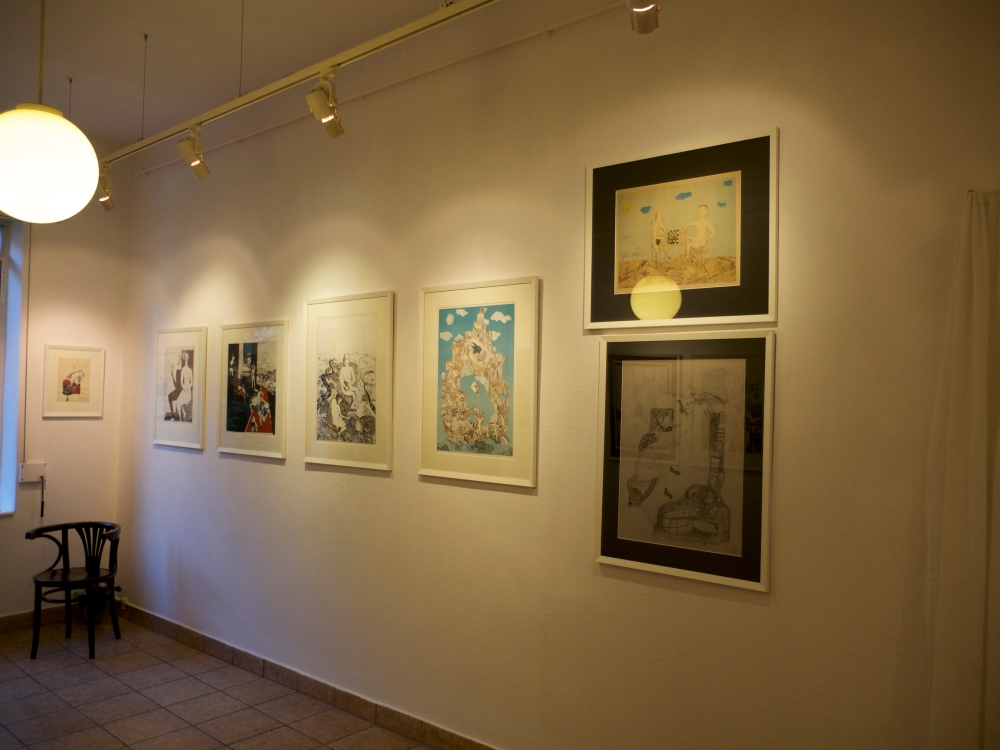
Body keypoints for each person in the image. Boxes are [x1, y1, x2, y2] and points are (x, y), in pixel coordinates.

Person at [176, 351, 194, 422]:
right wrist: (184, 387)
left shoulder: (190, 370)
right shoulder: (183, 369)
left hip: (188, 391)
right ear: (184, 358)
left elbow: (192, 382)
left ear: (188, 357)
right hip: (184, 389)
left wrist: (188, 387)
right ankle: (181, 418)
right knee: (178, 402)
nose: (186, 358)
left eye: (187, 356)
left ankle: (184, 414)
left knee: (182, 402)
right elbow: (181, 382)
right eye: (185, 357)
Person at [166, 355, 183, 419]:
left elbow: (177, 386)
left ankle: (173, 413)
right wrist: (172, 375)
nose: (177, 361)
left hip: (180, 391)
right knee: (169, 396)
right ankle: (172, 412)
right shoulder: (177, 371)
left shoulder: (179, 371)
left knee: (170, 397)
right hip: (178, 389)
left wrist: (173, 375)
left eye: (179, 360)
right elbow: (176, 385)